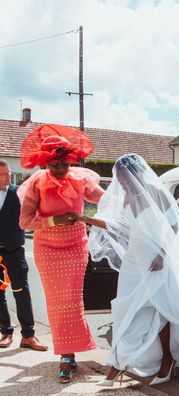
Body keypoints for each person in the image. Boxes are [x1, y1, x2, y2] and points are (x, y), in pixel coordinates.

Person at [83, 154, 179, 387]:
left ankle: (165, 361)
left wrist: (161, 254)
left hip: (157, 260)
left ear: (136, 174)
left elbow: (173, 226)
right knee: (126, 312)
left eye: (124, 178)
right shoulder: (128, 197)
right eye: (119, 179)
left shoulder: (157, 193)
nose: (121, 183)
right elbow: (123, 227)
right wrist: (86, 219)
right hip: (134, 261)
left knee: (162, 313)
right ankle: (119, 364)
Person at [17, 124, 105, 383]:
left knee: (73, 300)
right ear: (46, 162)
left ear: (70, 161)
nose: (60, 168)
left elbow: (106, 200)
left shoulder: (81, 179)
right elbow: (25, 222)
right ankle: (66, 354)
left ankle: (69, 353)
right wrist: (54, 221)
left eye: (64, 163)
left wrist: (136, 198)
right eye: (54, 164)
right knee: (57, 303)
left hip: (76, 245)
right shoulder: (37, 183)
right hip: (47, 248)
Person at [0, 160, 48, 351]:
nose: (7, 177)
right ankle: (6, 331)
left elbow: (35, 214)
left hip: (14, 250)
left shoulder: (20, 192)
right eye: (3, 174)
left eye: (8, 173)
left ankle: (28, 335)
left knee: (21, 292)